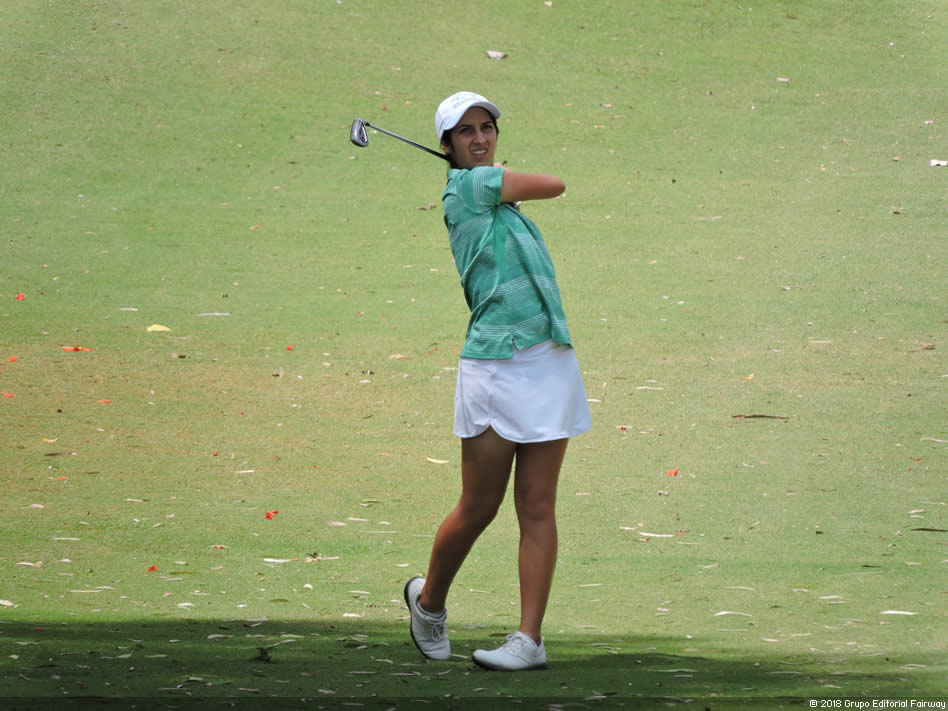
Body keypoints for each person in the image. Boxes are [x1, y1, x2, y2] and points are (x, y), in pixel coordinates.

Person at [404, 91, 591, 672]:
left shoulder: (497, 199)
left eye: (487, 128)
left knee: (537, 507)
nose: (480, 138)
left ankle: (529, 641)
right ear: (447, 146)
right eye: (465, 132)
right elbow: (555, 183)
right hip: (494, 365)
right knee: (480, 505)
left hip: (548, 359)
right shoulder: (468, 188)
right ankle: (429, 604)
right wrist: (497, 174)